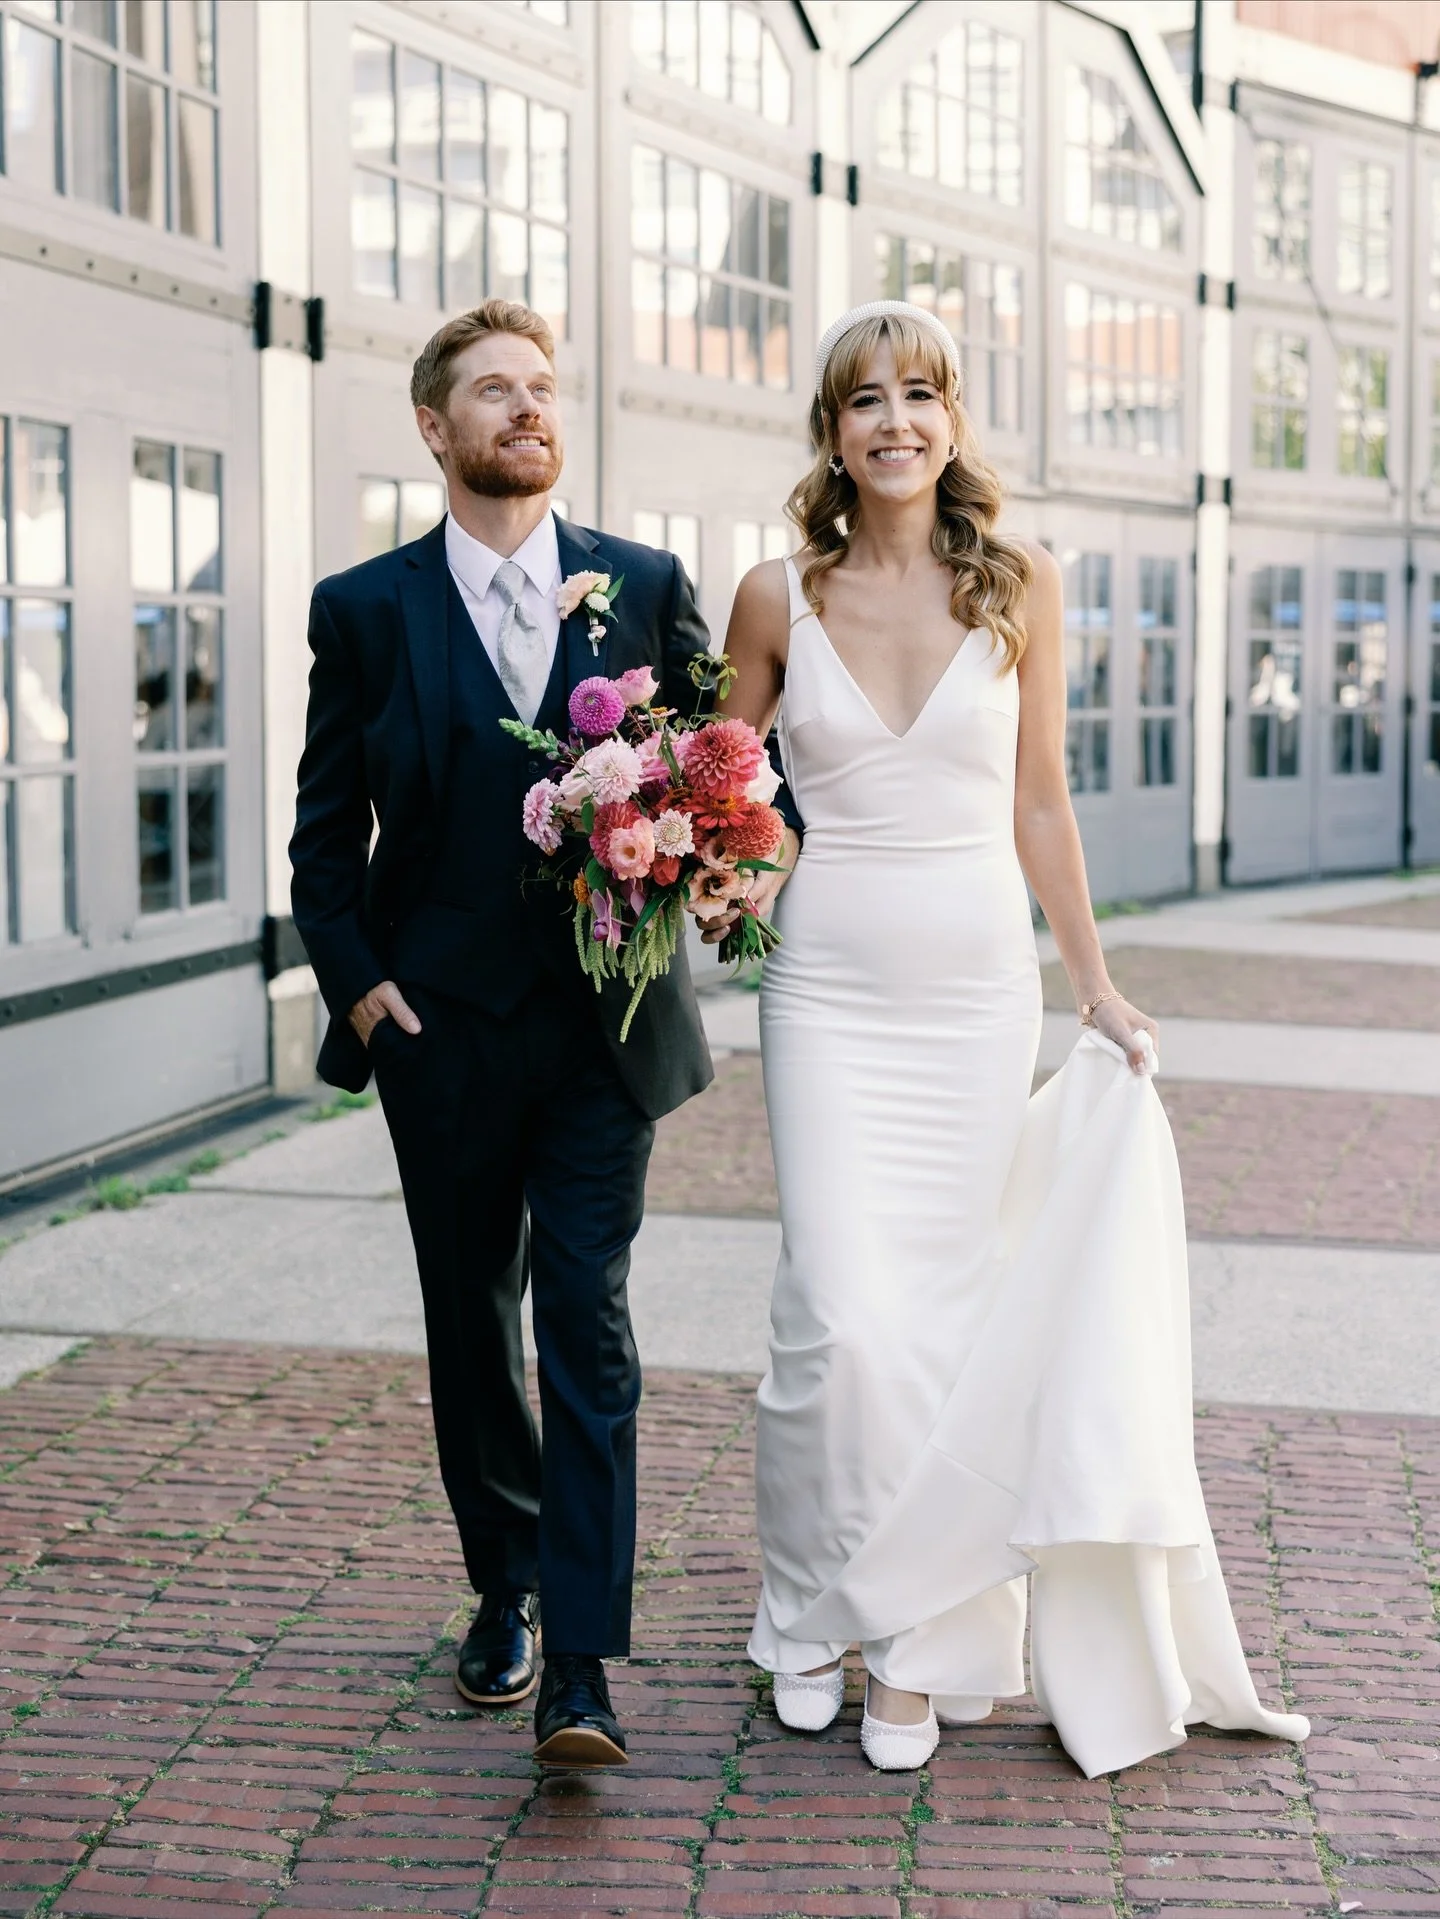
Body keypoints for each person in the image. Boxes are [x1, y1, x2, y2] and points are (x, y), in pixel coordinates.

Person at [714, 300, 1311, 1777]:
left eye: (921, 394)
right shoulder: (775, 597)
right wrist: (713, 872)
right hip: (828, 989)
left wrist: (1093, 985)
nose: (895, 421)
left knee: (942, 1325)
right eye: (866, 399)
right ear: (833, 432)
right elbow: (736, 796)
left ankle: (922, 1644)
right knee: (837, 1318)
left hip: (977, 992)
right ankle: (808, 1611)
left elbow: (1042, 800)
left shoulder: (1020, 583)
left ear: (953, 421)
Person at [289, 299, 716, 1769]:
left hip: (604, 1037)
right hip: (443, 1032)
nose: (528, 407)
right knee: (472, 1318)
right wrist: (359, 984)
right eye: (492, 389)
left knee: (584, 1320)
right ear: (434, 426)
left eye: (542, 385)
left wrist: (722, 859)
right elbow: (325, 831)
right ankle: (508, 1579)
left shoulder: (643, 585)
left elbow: (725, 778)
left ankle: (580, 1665)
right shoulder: (364, 609)